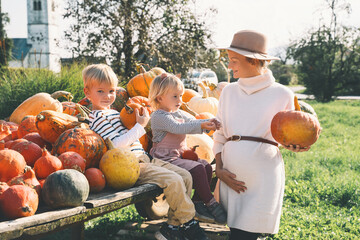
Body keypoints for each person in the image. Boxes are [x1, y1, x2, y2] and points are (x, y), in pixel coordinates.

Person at [82, 64, 210, 240]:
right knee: (173, 180)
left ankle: (171, 228)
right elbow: (116, 146)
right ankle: (189, 223)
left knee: (185, 176)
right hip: (130, 166)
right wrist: (140, 126)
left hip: (144, 158)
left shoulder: (113, 113)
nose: (108, 96)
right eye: (101, 91)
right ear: (87, 93)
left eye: (111, 91)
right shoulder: (97, 119)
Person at [213, 30, 309, 240]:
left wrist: (293, 145)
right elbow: (219, 134)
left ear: (254, 61)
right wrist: (219, 169)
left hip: (263, 179)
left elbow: (292, 132)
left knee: (244, 236)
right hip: (231, 178)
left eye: (234, 60)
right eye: (229, 60)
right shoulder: (228, 92)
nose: (230, 66)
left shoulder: (283, 94)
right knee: (237, 233)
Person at [148, 73, 227, 225]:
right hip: (164, 159)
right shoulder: (158, 116)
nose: (180, 100)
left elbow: (193, 121)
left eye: (181, 96)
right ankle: (211, 202)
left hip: (178, 157)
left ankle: (197, 203)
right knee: (197, 169)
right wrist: (202, 125)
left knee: (206, 167)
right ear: (160, 98)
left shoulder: (178, 113)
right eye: (175, 96)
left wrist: (209, 122)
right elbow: (177, 127)